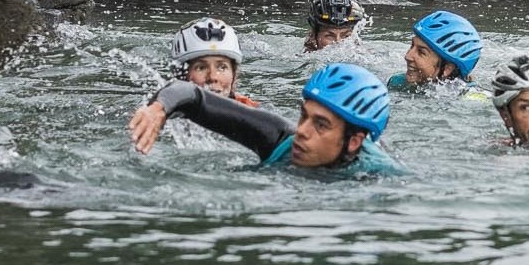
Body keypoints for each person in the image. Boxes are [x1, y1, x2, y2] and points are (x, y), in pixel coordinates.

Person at [128, 63, 403, 176]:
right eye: (304, 116)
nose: (302, 132)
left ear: (354, 142)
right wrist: (158, 109)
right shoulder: (278, 138)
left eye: (321, 125)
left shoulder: (381, 176)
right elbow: (190, 95)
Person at [170, 17, 256, 107]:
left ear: (234, 75)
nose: (212, 77)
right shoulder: (165, 109)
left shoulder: (251, 109)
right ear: (182, 76)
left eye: (222, 67)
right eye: (201, 68)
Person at [389, 11, 484, 91]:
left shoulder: (471, 98)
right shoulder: (397, 84)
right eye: (412, 46)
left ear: (447, 69)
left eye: (421, 52)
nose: (407, 56)